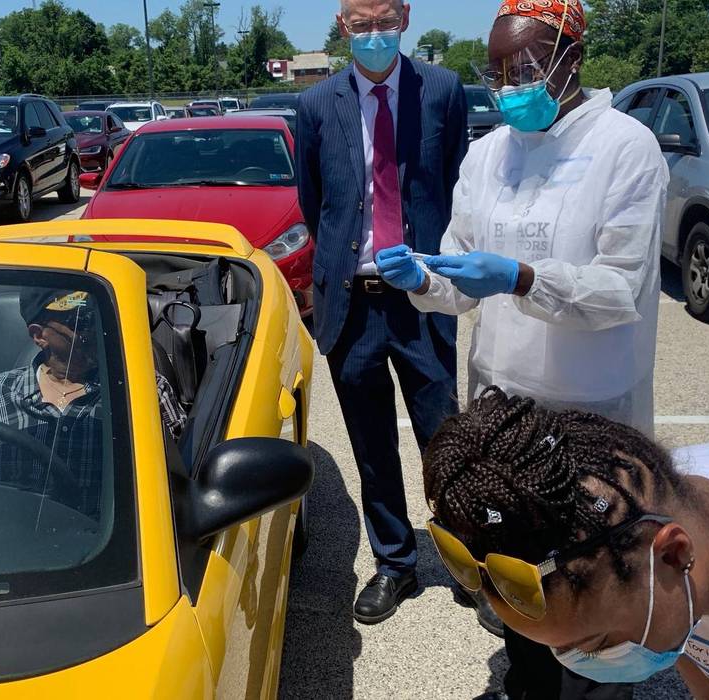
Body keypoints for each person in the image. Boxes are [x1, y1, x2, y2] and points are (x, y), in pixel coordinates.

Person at [376, 1, 667, 697]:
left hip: (592, 402)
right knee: (516, 559)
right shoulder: (487, 155)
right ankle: (529, 680)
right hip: (503, 402)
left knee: (594, 567)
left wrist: (522, 277)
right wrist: (424, 280)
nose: (510, 86)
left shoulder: (625, 147)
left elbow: (620, 289)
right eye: (499, 72)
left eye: (527, 68)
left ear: (573, 58)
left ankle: (601, 688)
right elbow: (459, 273)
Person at [423, 388, 709, 700]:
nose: (580, 668)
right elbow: (705, 660)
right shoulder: (654, 505)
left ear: (673, 553)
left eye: (597, 644)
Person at [296, 0, 469, 625]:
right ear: (344, 26)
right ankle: (395, 562)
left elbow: (455, 183)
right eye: (362, 24)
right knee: (371, 444)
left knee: (446, 441)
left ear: (405, 18)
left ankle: (469, 563)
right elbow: (314, 201)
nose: (375, 34)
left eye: (385, 21)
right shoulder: (316, 104)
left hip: (423, 298)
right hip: (353, 303)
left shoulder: (442, 90)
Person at [0, 288, 187, 520]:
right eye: (79, 321)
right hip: (5, 548)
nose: (93, 329)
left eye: (96, 317)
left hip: (112, 555)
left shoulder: (142, 390)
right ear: (39, 335)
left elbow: (183, 491)